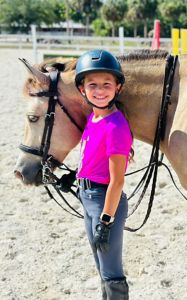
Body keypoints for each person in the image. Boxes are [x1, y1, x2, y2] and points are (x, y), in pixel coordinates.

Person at [75, 49, 132, 300]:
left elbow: (117, 180)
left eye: (106, 84)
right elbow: (91, 155)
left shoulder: (116, 126)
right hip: (87, 197)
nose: (100, 90)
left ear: (117, 88)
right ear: (82, 89)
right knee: (100, 268)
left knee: (111, 272)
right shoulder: (94, 118)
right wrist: (77, 176)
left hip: (104, 202)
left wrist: (106, 221)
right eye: (93, 85)